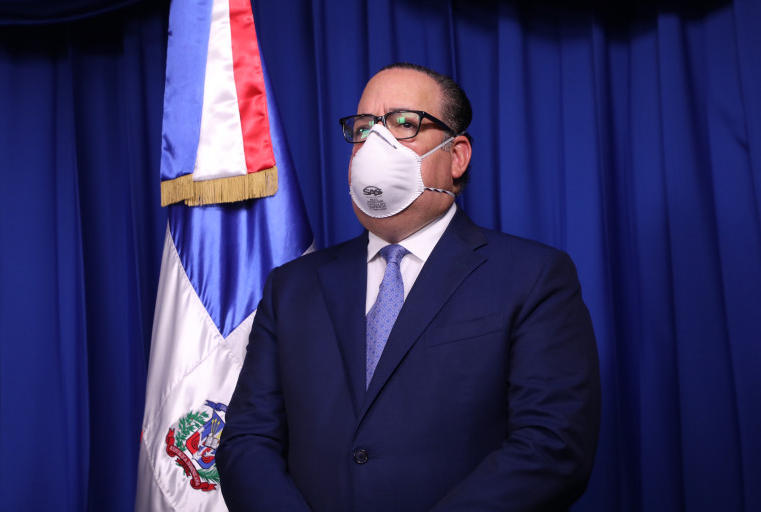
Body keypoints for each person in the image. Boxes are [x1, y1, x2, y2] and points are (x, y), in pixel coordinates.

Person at [216, 62, 601, 511]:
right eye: (364, 128)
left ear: (456, 156)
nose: (375, 143)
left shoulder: (533, 276)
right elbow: (247, 440)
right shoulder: (292, 287)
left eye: (404, 123)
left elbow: (552, 447)